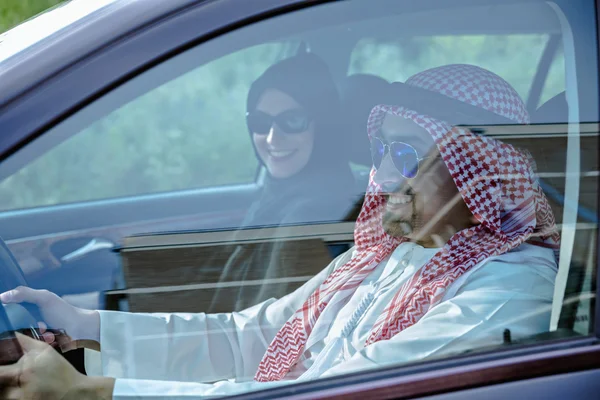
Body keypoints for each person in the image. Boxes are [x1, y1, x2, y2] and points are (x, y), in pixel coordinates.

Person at [0, 64, 560, 399]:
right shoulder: (397, 252)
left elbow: (330, 393)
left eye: (409, 153)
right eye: (382, 148)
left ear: (478, 170)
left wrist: (91, 393)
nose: (383, 174)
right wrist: (87, 326)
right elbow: (255, 337)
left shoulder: (509, 292)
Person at [207, 52, 357, 312]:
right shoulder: (277, 199)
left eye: (292, 121)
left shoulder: (310, 216)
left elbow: (269, 328)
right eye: (260, 122)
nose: (273, 139)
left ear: (322, 125)